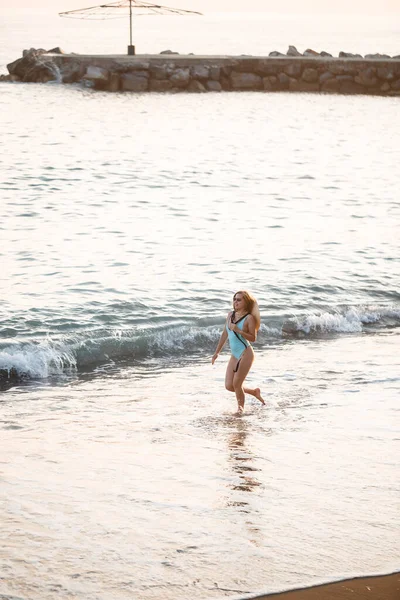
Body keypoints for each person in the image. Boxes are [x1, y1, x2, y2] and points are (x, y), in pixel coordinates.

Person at [212, 290, 265, 414]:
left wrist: (239, 330)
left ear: (246, 302)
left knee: (237, 383)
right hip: (234, 355)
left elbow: (253, 338)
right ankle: (254, 392)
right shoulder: (230, 315)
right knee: (229, 385)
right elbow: (225, 333)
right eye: (234, 299)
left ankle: (240, 410)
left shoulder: (249, 318)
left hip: (246, 353)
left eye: (239, 299)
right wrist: (216, 352)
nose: (235, 302)